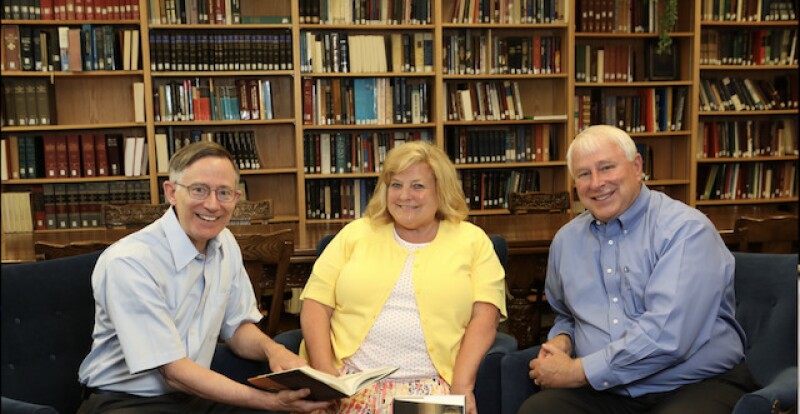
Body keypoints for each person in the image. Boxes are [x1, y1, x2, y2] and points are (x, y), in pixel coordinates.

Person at [77, 141, 330, 413]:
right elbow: (173, 371)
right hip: (125, 400)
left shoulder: (225, 243)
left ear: (236, 198)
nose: (212, 205)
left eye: (224, 193)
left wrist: (274, 351)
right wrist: (269, 402)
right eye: (199, 190)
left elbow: (236, 330)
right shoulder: (130, 261)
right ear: (171, 192)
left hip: (193, 393)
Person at [520, 125, 757, 413]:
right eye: (584, 174)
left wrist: (578, 371)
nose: (596, 183)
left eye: (606, 168)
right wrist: (563, 339)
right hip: (606, 390)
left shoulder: (685, 230)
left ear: (636, 167)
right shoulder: (566, 241)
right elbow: (567, 314)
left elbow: (668, 336)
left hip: (692, 383)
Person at [300, 141, 507, 414]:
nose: (404, 195)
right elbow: (315, 304)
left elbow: (485, 316)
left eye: (417, 186)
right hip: (349, 381)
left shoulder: (473, 241)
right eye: (396, 185)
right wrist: (326, 376)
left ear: (440, 190)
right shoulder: (355, 234)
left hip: (431, 389)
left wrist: (463, 386)